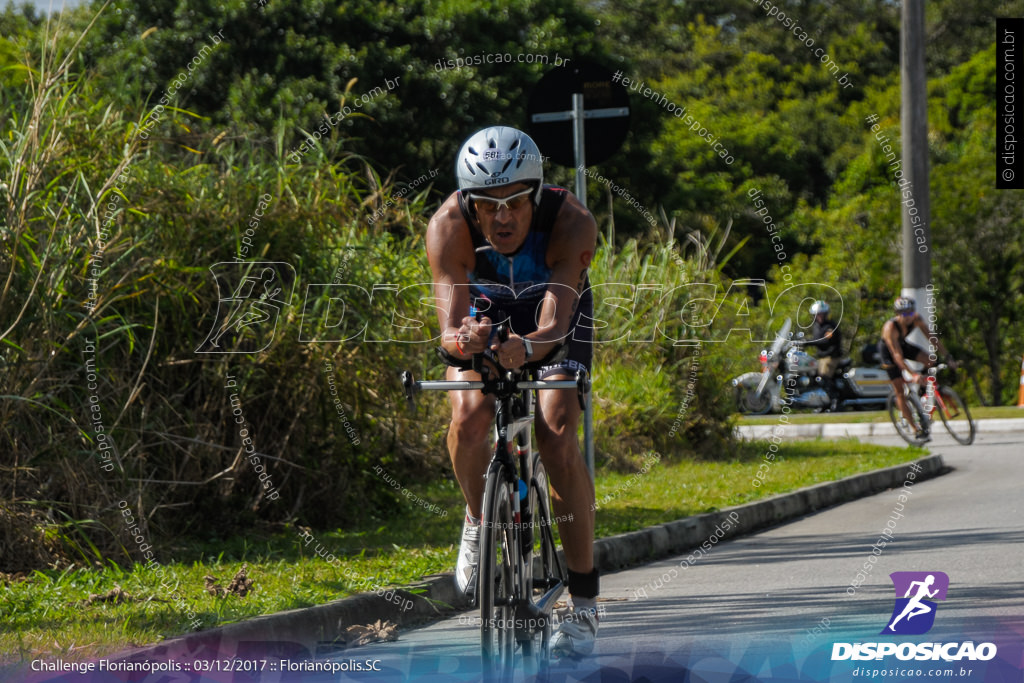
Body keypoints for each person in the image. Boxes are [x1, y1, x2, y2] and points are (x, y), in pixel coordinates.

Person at [425, 126, 599, 657]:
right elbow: (449, 332)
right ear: (469, 204)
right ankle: (479, 520)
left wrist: (530, 346)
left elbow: (554, 322)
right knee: (470, 419)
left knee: (555, 432)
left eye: (515, 204)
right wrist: (465, 340)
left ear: (535, 196)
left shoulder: (571, 222)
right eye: (488, 205)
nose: (502, 218)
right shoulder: (447, 226)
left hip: (554, 316)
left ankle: (585, 604)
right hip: (485, 312)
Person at [878, 296, 955, 442]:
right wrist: (912, 374)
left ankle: (922, 393)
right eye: (904, 314)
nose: (908, 317)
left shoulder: (916, 319)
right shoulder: (890, 328)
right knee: (899, 391)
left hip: (903, 344)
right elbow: (897, 355)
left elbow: (932, 338)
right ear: (897, 314)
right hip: (890, 352)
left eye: (910, 312)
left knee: (930, 360)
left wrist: (947, 356)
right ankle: (915, 429)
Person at [807, 300, 843, 406]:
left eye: (822, 314)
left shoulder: (830, 326)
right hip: (821, 357)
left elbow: (825, 340)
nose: (820, 316)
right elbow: (816, 339)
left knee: (824, 376)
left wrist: (808, 343)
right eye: (817, 314)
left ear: (826, 314)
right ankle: (821, 402)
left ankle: (834, 400)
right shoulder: (816, 326)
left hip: (831, 356)